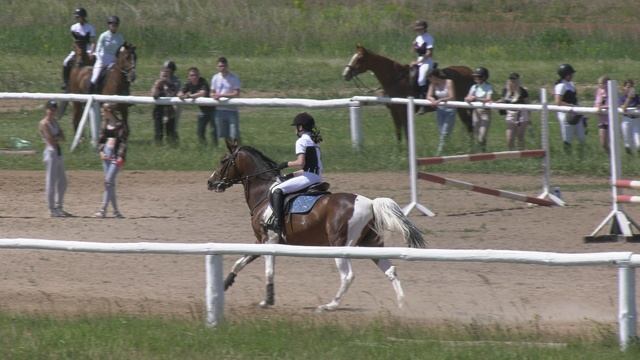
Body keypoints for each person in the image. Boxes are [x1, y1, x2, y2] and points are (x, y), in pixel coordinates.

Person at [269, 112, 324, 237]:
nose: (295, 129)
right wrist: (290, 176)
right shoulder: (315, 142)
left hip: (309, 178)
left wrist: (285, 164)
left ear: (300, 127)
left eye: (296, 127)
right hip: (317, 177)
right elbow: (309, 167)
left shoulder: (301, 141)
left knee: (277, 190)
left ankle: (278, 223)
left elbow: (300, 162)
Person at [94, 103, 128, 218]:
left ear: (109, 111)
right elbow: (100, 141)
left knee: (108, 181)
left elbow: (123, 142)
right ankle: (116, 211)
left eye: (103, 111)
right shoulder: (105, 124)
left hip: (115, 156)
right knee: (110, 184)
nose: (102, 113)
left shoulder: (120, 125)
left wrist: (120, 156)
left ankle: (103, 210)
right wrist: (101, 152)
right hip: (106, 155)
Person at [39, 100, 72, 217]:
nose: (52, 112)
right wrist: (57, 137)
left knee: (63, 181)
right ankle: (52, 208)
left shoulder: (55, 122)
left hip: (58, 152)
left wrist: (56, 137)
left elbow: (63, 137)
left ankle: (59, 206)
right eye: (50, 109)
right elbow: (51, 140)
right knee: (51, 181)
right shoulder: (44, 123)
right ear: (46, 109)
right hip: (50, 153)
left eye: (54, 109)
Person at [178, 67, 216, 146]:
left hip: (213, 110)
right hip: (203, 111)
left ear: (199, 75)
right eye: (192, 75)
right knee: (200, 131)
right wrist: (181, 95)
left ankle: (215, 146)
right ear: (188, 77)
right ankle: (204, 147)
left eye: (196, 75)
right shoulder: (188, 83)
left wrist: (190, 96)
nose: (194, 77)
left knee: (213, 131)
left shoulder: (203, 81)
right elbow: (180, 93)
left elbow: (203, 93)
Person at [554, 63, 586, 153]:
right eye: (571, 74)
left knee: (582, 137)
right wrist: (571, 106)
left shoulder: (570, 84)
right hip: (566, 115)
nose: (572, 75)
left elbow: (574, 99)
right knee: (567, 139)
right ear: (566, 75)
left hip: (575, 113)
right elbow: (558, 102)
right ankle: (568, 156)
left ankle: (581, 155)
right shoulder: (561, 86)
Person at [62, 7, 96, 91]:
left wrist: (92, 52)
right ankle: (66, 82)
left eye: (79, 17)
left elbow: (93, 42)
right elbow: (74, 41)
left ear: (83, 17)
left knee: (97, 60)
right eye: (76, 17)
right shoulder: (73, 27)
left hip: (88, 49)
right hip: (78, 49)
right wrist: (76, 50)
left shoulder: (90, 27)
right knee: (65, 62)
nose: (77, 18)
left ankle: (96, 81)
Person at [90, 15, 125, 93]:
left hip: (113, 60)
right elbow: (98, 50)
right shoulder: (103, 36)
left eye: (116, 25)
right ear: (109, 25)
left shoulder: (120, 37)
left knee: (122, 76)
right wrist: (100, 60)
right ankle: (90, 95)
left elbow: (122, 48)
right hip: (102, 59)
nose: (114, 26)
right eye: (112, 24)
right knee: (94, 77)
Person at [210, 56, 241, 143]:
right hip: (219, 110)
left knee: (234, 134)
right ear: (217, 67)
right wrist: (214, 96)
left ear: (227, 66)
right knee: (223, 135)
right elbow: (212, 92)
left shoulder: (234, 77)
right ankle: (230, 151)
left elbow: (236, 93)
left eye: (223, 66)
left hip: (232, 110)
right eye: (220, 66)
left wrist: (221, 95)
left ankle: (238, 150)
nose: (222, 68)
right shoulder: (215, 78)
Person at [426, 68, 456, 155]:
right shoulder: (433, 84)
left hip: (450, 110)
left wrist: (440, 100)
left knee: (445, 133)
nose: (429, 80)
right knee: (441, 132)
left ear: (434, 77)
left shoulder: (449, 82)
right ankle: (446, 150)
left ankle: (438, 154)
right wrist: (432, 99)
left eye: (430, 78)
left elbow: (452, 96)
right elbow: (428, 95)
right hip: (440, 110)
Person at [497, 73, 530, 150]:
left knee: (520, 136)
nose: (512, 81)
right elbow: (503, 100)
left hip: (521, 114)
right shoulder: (505, 91)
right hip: (510, 114)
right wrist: (497, 102)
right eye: (511, 79)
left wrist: (529, 117)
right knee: (509, 138)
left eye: (514, 80)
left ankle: (522, 153)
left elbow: (528, 104)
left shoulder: (523, 91)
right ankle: (511, 154)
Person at [464, 66, 493, 152]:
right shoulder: (473, 87)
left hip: (485, 112)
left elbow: (488, 99)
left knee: (482, 136)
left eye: (479, 76)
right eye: (475, 76)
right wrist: (467, 99)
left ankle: (483, 151)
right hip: (475, 112)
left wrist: (476, 98)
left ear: (484, 77)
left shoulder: (488, 87)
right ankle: (482, 152)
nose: (476, 78)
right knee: (477, 134)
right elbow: (468, 97)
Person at [410, 19, 435, 113]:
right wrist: (413, 47)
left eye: (420, 28)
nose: (418, 30)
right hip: (419, 60)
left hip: (427, 61)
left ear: (424, 28)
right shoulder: (417, 38)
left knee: (421, 79)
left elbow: (429, 53)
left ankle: (424, 103)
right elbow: (414, 51)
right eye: (417, 29)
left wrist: (419, 62)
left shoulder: (429, 38)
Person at [151, 67, 179, 145]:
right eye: (163, 76)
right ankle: (158, 146)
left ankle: (172, 146)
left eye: (166, 76)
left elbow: (172, 95)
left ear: (169, 77)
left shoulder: (172, 85)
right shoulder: (157, 85)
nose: (164, 78)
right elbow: (154, 95)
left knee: (170, 132)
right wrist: (157, 86)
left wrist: (167, 88)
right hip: (158, 111)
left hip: (169, 111)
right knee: (158, 132)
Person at [620, 79, 640, 154]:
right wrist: (629, 98)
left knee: (638, 142)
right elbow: (623, 108)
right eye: (628, 87)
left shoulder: (637, 97)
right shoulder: (622, 98)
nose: (630, 89)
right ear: (624, 88)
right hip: (627, 120)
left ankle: (637, 156)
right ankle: (630, 157)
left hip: (636, 120)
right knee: (627, 143)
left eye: (631, 87)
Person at [594, 75, 610, 154]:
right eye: (599, 84)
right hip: (602, 120)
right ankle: (610, 156)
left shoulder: (611, 92)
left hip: (610, 121)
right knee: (603, 144)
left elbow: (613, 104)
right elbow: (596, 103)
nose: (599, 85)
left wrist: (602, 107)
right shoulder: (599, 91)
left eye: (601, 83)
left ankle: (616, 159)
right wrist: (597, 107)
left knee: (612, 143)